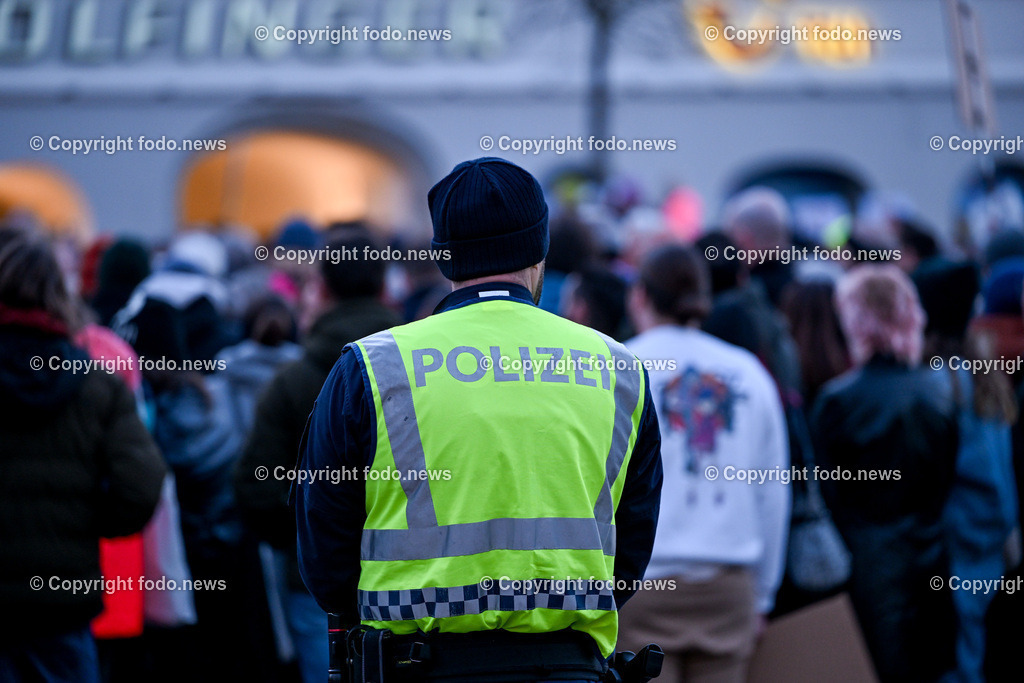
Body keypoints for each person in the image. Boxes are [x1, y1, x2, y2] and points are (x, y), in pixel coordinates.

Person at [295, 157, 663, 682]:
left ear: (445, 259)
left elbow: (324, 552)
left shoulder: (373, 367)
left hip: (417, 667)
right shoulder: (618, 369)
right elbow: (631, 546)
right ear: (540, 251)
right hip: (566, 668)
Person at [616, 243, 789, 683]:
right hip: (727, 587)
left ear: (640, 296)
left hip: (643, 586)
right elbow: (772, 491)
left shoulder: (619, 367)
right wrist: (763, 595)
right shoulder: (748, 371)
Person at [235, 225, 401, 683]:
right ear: (386, 287)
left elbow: (254, 488)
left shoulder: (292, 382)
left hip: (315, 588)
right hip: (413, 579)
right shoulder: (420, 371)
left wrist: (303, 544)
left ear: (320, 289)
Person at [0, 228, 167, 683]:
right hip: (63, 602)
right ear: (60, 293)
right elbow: (141, 485)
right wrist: (84, 521)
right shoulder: (98, 384)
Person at [812, 265, 958, 683]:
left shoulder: (837, 401)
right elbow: (947, 478)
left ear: (854, 320)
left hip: (868, 566)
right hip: (932, 558)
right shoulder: (941, 389)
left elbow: (829, 494)